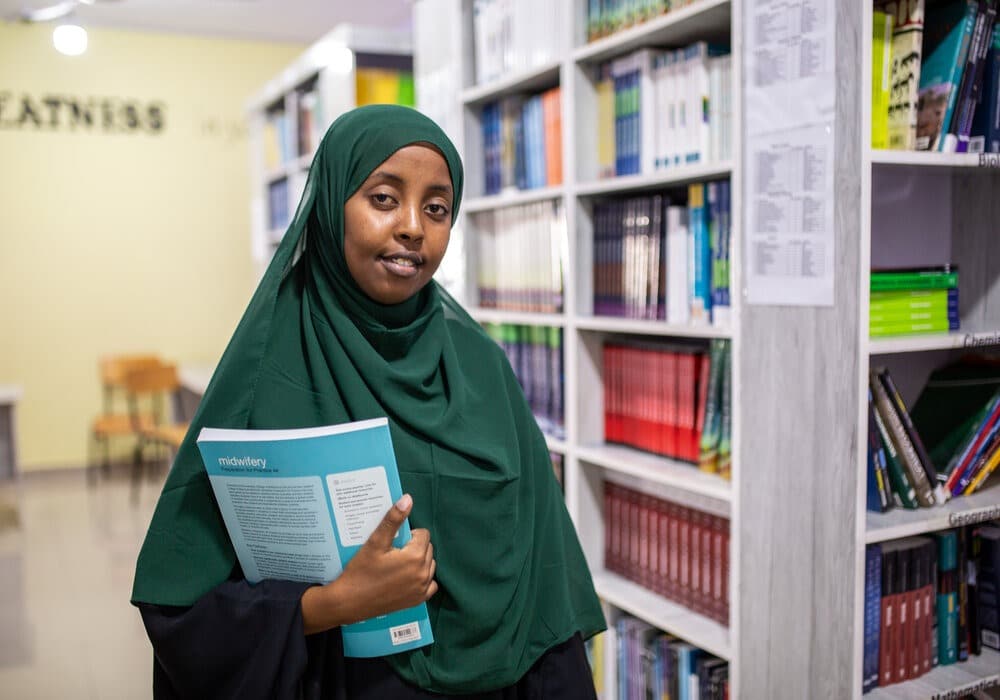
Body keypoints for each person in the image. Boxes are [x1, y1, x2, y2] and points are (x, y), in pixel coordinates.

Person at [131, 104, 606, 699]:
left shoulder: (480, 366)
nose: (413, 226)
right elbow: (183, 607)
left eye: (436, 208)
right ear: (332, 206)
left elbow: (543, 577)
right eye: (384, 199)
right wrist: (329, 605)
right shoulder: (266, 368)